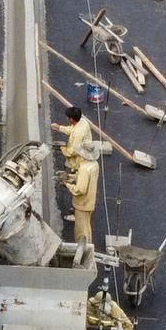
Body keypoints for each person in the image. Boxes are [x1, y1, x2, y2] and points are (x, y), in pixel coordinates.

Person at [60, 104, 102, 249]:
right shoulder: (94, 165)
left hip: (82, 204)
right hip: (90, 201)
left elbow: (80, 189)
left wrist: (67, 184)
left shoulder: (84, 168)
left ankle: (84, 252)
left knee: (81, 231)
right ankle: (87, 247)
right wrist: (71, 178)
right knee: (86, 227)